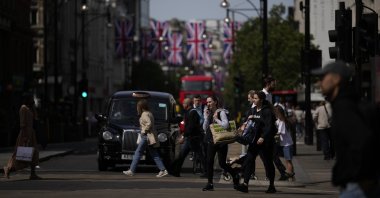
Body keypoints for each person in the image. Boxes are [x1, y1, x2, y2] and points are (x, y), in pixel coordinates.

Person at [313, 61, 380, 198]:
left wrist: (361, 177)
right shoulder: (348, 103)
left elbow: (362, 141)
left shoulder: (344, 108)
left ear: (336, 79)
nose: (320, 82)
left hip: (357, 186)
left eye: (323, 77)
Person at [236, 91, 277, 193]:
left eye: (255, 98)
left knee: (268, 163)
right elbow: (247, 122)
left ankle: (271, 186)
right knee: (249, 160)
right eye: (253, 98)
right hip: (254, 141)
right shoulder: (252, 110)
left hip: (264, 142)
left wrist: (263, 137)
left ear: (261, 100)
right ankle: (245, 184)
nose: (253, 100)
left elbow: (269, 126)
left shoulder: (267, 111)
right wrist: (243, 126)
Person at [202, 96, 239, 191]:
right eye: (207, 102)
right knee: (209, 162)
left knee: (222, 163)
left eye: (210, 102)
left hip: (221, 142)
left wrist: (216, 119)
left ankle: (235, 175)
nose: (208, 104)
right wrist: (206, 117)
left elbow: (226, 125)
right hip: (211, 141)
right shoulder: (209, 113)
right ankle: (210, 183)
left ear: (215, 102)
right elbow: (205, 128)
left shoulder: (221, 112)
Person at [123, 99, 168, 178]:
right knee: (154, 154)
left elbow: (149, 123)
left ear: (140, 107)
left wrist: (144, 131)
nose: (137, 108)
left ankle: (131, 170)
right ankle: (163, 170)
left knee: (138, 152)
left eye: (138, 106)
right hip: (149, 136)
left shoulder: (144, 114)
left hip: (146, 136)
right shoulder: (149, 113)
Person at [3, 92, 41, 180]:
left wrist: (34, 107)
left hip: (31, 133)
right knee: (20, 155)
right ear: (27, 99)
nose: (32, 100)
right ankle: (8, 168)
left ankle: (33, 174)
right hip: (25, 134)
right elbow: (22, 124)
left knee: (34, 153)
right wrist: (25, 137)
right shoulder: (23, 108)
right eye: (31, 98)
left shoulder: (30, 108)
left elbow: (36, 118)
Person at [171, 98, 205, 177]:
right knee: (182, 155)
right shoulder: (188, 112)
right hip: (190, 138)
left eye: (183, 103)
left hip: (193, 138)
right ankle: (176, 171)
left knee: (200, 155)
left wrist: (183, 136)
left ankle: (207, 172)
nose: (182, 105)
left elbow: (191, 127)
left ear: (187, 104)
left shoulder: (192, 113)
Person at [274, 105, 295, 181]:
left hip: (287, 144)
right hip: (285, 144)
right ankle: (292, 176)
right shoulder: (279, 120)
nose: (275, 114)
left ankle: (289, 175)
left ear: (280, 113)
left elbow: (279, 133)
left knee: (288, 160)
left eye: (276, 113)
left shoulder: (283, 122)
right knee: (288, 160)